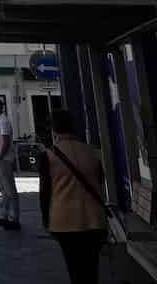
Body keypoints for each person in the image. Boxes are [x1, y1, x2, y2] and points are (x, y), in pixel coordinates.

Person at [40, 109, 107, 284]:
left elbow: (45, 193)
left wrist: (46, 220)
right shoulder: (92, 151)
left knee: (75, 269)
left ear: (53, 130)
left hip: (65, 222)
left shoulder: (48, 156)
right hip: (94, 219)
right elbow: (100, 179)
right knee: (92, 269)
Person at [0, 98, 20, 230]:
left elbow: (6, 142)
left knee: (10, 190)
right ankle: (4, 216)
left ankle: (14, 219)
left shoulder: (4, 122)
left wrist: (0, 157)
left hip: (4, 160)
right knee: (3, 190)